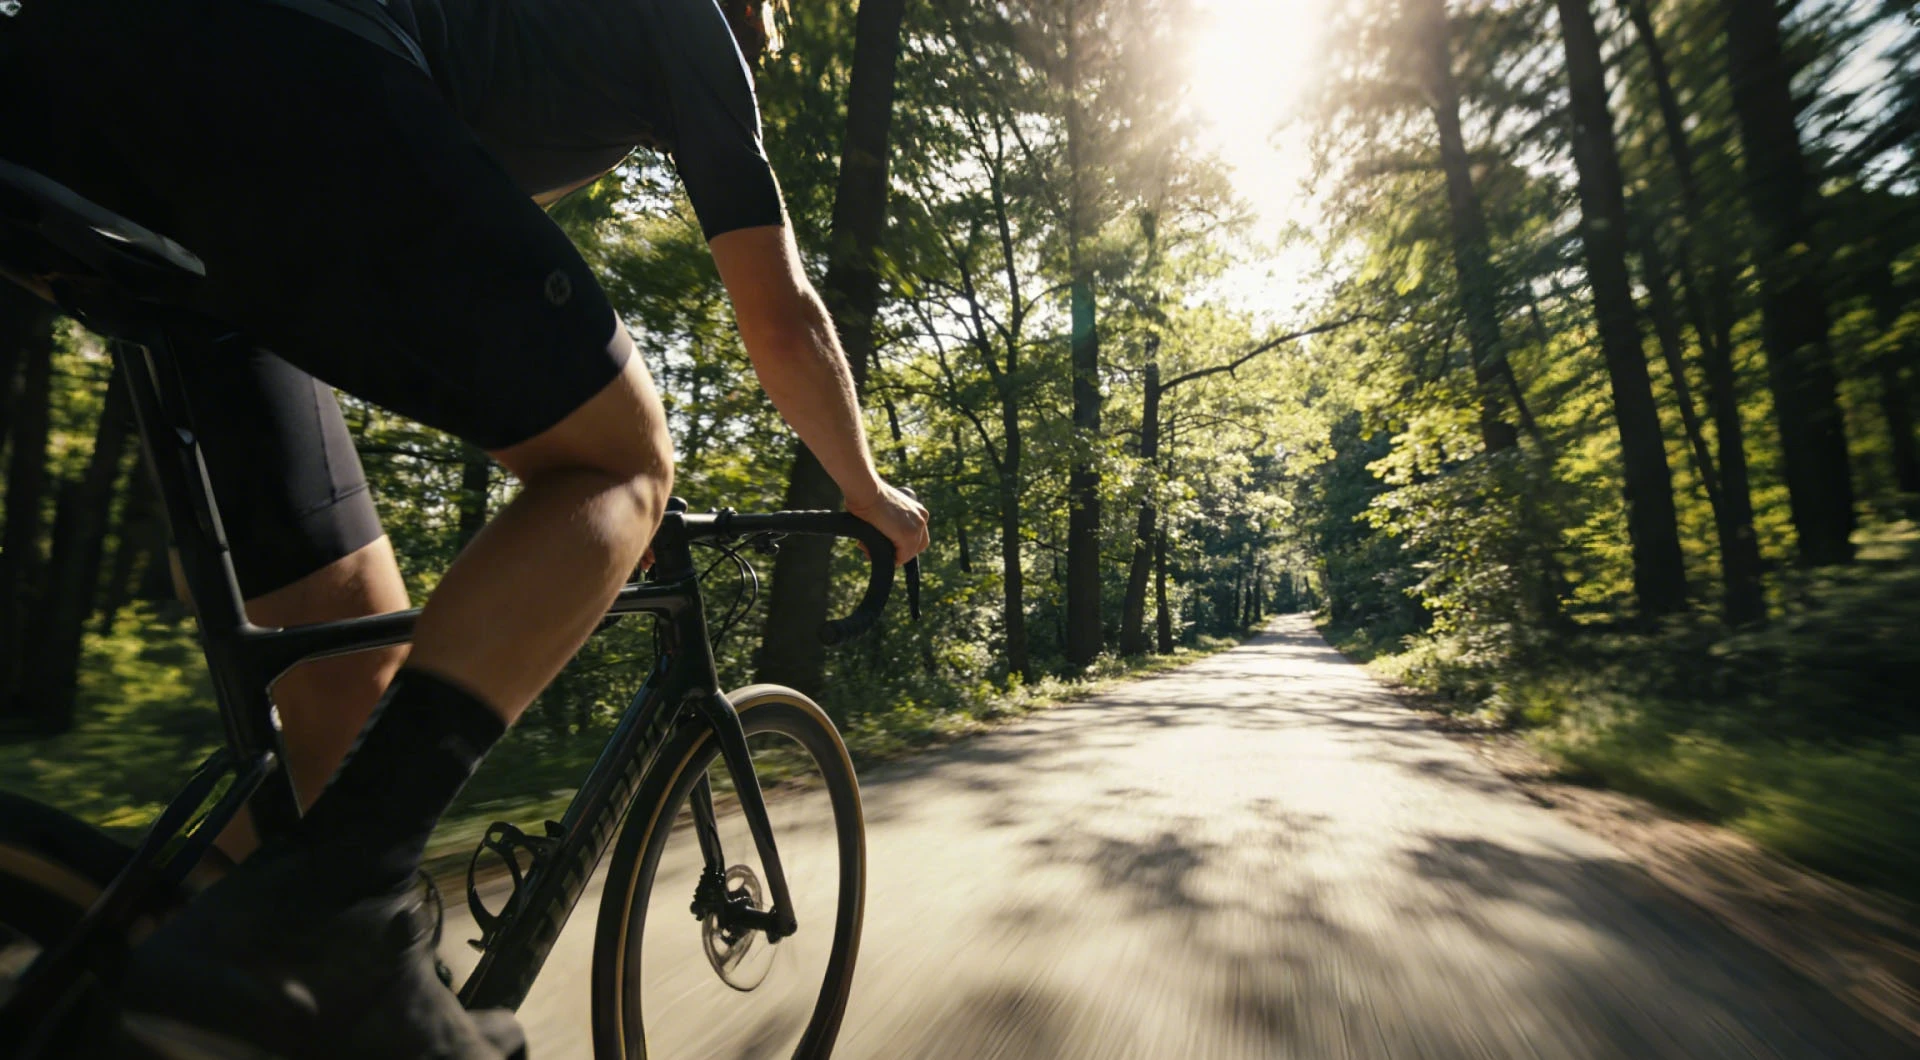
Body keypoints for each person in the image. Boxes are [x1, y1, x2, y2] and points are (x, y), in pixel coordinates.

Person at [0, 0, 929, 1055]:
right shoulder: (689, 23)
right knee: (620, 460)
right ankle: (342, 922)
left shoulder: (527, 47)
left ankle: (186, 956)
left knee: (349, 707)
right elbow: (782, 315)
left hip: (77, 106)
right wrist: (866, 485)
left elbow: (412, 238)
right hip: (274, 80)